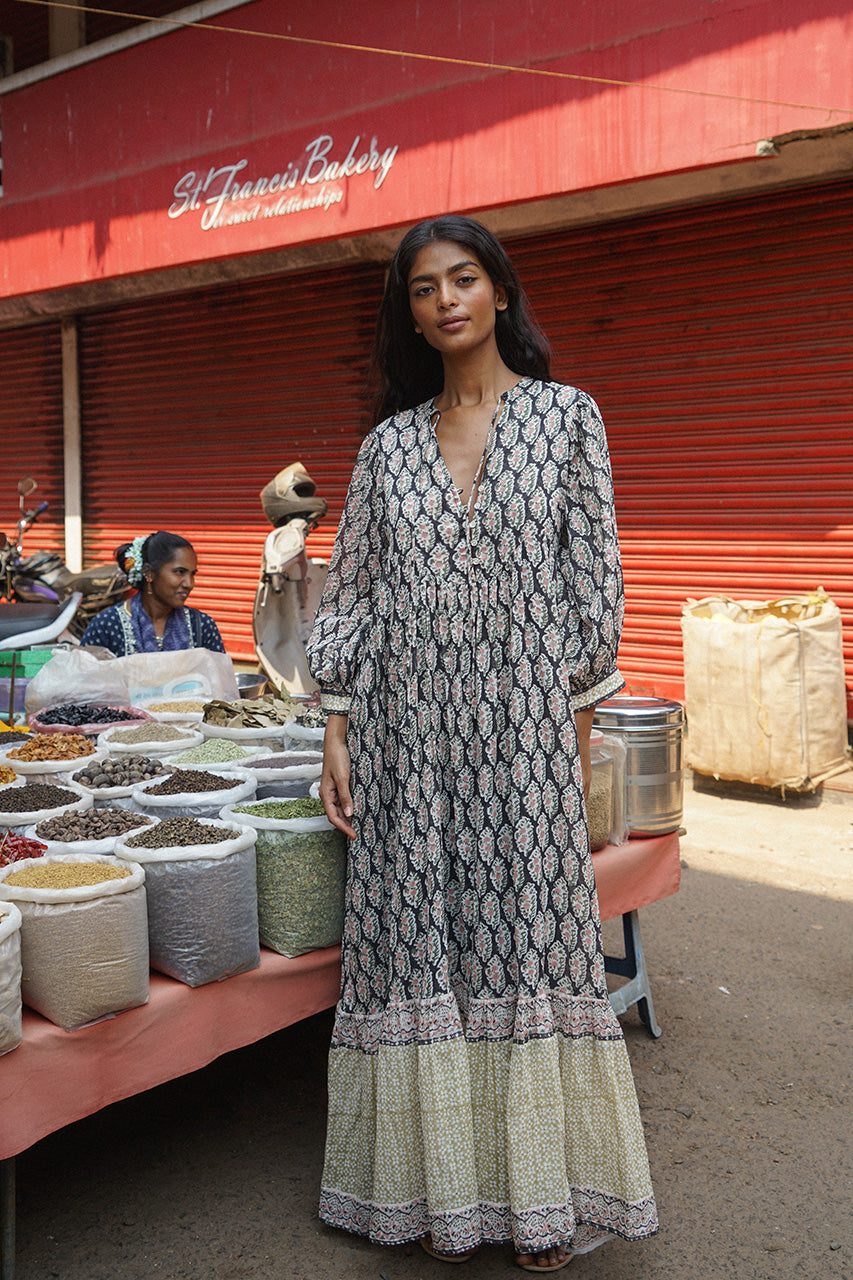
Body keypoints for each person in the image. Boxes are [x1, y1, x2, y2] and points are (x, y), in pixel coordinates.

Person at [305, 215, 658, 1271]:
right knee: (420, 946)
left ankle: (538, 1204)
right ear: (409, 315)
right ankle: (435, 1197)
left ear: (499, 291)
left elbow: (593, 586)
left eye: (463, 279)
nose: (445, 300)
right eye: (424, 288)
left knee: (527, 948)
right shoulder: (386, 448)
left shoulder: (566, 418)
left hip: (523, 741)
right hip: (407, 742)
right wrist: (336, 727)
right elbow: (352, 593)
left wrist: (570, 751)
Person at [80, 531, 226, 656]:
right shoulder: (107, 626)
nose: (189, 584)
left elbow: (220, 678)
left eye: (192, 574)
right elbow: (83, 677)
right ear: (149, 572)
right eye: (179, 572)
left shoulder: (202, 626)